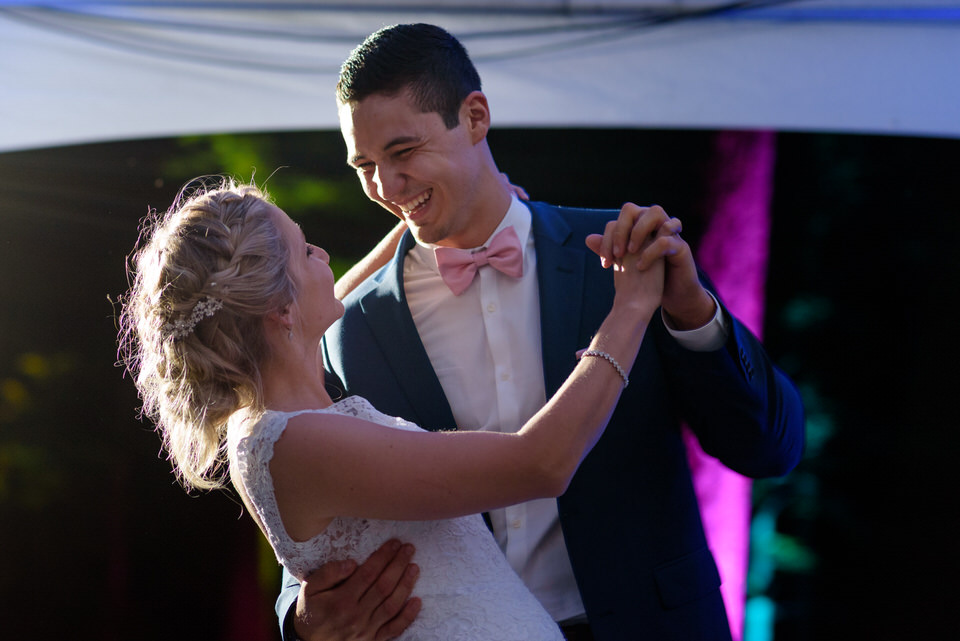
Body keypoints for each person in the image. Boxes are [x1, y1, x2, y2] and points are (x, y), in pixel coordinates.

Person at [278, 23, 805, 641]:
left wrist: (692, 314)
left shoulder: (621, 255)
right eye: (365, 165)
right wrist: (303, 618)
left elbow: (770, 447)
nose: (385, 189)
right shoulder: (353, 330)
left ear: (475, 117)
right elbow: (319, 508)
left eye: (402, 153)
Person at [119, 178, 670, 641]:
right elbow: (541, 462)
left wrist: (419, 221)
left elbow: (331, 291)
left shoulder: (271, 417)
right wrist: (632, 306)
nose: (325, 257)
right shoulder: (302, 443)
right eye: (306, 249)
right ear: (277, 309)